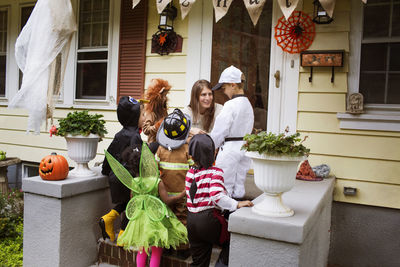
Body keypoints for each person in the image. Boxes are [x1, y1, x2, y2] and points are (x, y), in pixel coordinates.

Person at [105, 143, 188, 267]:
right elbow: (167, 201)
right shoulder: (157, 181)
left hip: (140, 220)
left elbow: (133, 199)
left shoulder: (134, 182)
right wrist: (181, 195)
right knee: (156, 250)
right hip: (156, 219)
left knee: (142, 249)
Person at [185, 134, 253, 267]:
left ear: (192, 156)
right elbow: (216, 196)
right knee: (232, 241)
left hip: (191, 221)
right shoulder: (215, 172)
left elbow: (191, 196)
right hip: (208, 220)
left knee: (199, 261)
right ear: (213, 153)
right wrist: (236, 204)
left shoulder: (190, 173)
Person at [99, 96, 146, 242]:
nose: (145, 118)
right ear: (134, 118)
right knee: (132, 207)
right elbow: (138, 161)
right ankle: (123, 237)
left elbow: (109, 156)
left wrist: (105, 171)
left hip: (115, 178)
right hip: (128, 179)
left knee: (125, 204)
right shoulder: (135, 138)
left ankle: (108, 218)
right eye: (142, 115)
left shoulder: (119, 135)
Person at [210, 65, 254, 199]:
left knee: (224, 184)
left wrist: (211, 145)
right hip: (243, 147)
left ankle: (224, 214)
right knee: (239, 182)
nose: (224, 92)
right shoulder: (248, 104)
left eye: (224, 88)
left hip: (229, 149)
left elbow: (220, 130)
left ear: (233, 85)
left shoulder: (230, 105)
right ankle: (237, 209)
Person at [155, 108, 193, 227]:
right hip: (183, 195)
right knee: (182, 222)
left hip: (164, 194)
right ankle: (182, 245)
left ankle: (167, 244)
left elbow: (154, 170)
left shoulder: (160, 149)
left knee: (166, 221)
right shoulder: (187, 149)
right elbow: (194, 171)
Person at [142, 78, 171, 143]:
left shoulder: (163, 110)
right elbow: (146, 129)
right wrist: (156, 126)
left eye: (166, 96)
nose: (165, 98)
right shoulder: (151, 112)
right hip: (154, 144)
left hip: (163, 143)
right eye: (163, 96)